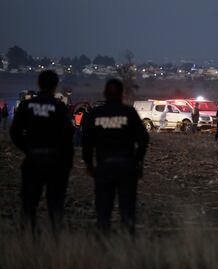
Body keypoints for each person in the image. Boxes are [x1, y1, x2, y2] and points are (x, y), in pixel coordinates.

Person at [82, 79, 149, 235]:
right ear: (122, 94)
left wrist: (89, 165)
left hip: (104, 167)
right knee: (127, 211)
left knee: (103, 212)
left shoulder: (95, 114)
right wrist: (138, 162)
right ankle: (127, 247)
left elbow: (86, 142)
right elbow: (143, 139)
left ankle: (103, 247)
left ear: (105, 94)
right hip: (127, 167)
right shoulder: (129, 113)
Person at [10, 70, 74, 231]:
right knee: (55, 204)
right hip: (55, 161)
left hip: (33, 159)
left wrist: (28, 149)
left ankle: (29, 238)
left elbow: (14, 132)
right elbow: (68, 136)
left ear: (39, 84)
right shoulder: (59, 107)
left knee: (29, 203)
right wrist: (66, 162)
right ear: (55, 86)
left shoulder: (26, 105)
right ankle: (55, 239)